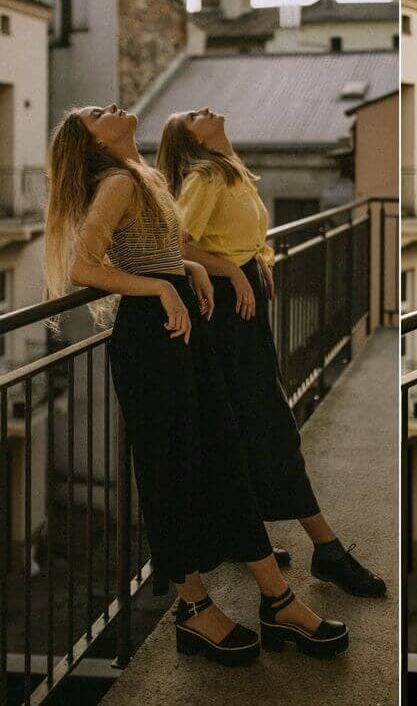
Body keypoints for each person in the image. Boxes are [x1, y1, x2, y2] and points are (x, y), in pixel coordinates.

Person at [43, 104, 349, 665]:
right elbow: (82, 269)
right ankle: (197, 608)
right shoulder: (114, 183)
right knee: (171, 469)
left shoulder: (147, 178)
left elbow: (161, 250)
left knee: (222, 457)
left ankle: (274, 599)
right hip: (150, 339)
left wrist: (190, 270)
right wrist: (160, 289)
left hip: (183, 328)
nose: (110, 107)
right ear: (92, 142)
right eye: (95, 114)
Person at [155, 107, 386, 599]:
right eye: (194, 115)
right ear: (190, 140)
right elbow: (175, 245)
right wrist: (235, 271)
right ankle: (327, 550)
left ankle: (243, 536)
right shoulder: (205, 175)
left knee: (246, 423)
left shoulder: (231, 169)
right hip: (222, 314)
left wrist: (259, 262)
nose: (209, 110)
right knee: (270, 425)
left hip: (243, 306)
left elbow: (246, 234)